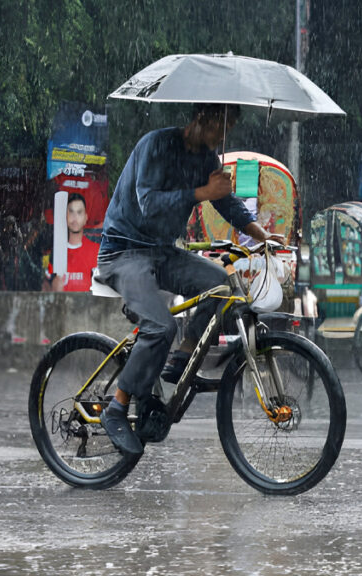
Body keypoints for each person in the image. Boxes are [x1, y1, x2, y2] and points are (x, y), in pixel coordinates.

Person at [96, 103, 280, 456]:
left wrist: (262, 236)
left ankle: (180, 358)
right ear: (201, 118)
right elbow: (148, 203)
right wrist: (202, 193)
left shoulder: (207, 159)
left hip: (163, 252)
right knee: (160, 326)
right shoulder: (156, 145)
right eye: (218, 126)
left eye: (227, 129)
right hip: (124, 251)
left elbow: (227, 204)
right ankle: (116, 408)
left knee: (220, 285)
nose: (221, 136)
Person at [44, 192, 101, 292]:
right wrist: (53, 290)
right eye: (71, 212)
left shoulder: (97, 251)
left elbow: (105, 289)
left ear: (85, 218)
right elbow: (45, 287)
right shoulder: (56, 252)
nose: (75, 217)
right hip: (62, 302)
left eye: (79, 212)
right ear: (65, 216)